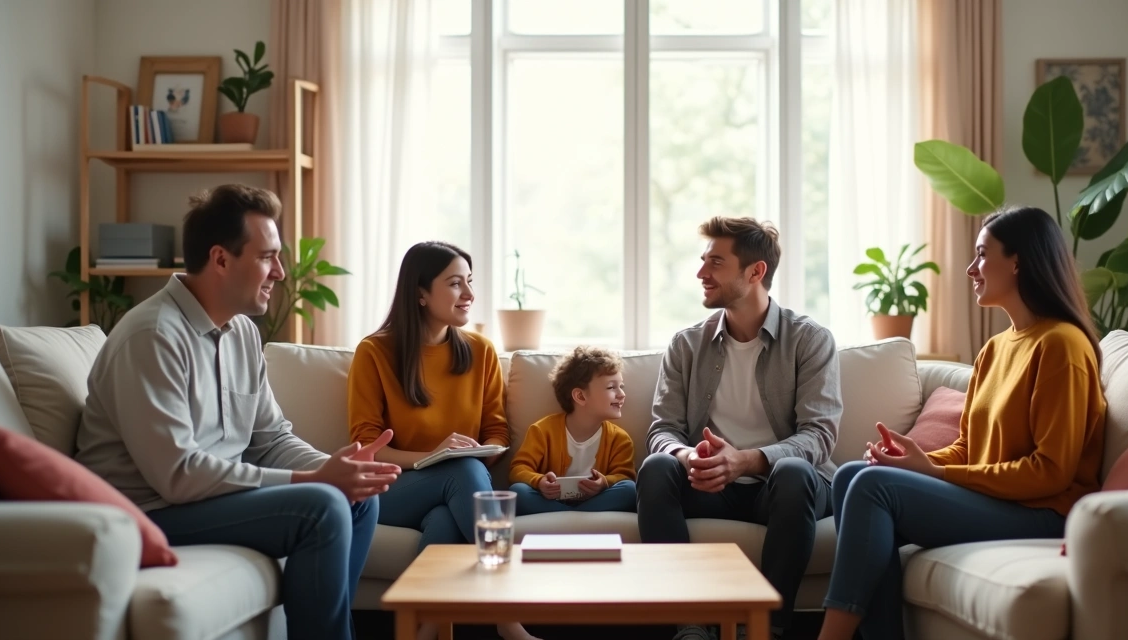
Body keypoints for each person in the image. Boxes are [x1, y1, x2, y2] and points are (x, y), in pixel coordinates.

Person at [75, 184, 400, 640]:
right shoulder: (152, 336)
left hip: (207, 498)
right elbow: (178, 474)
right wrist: (313, 482)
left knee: (358, 499)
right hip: (150, 510)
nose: (281, 273)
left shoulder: (243, 333)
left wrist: (332, 467)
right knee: (322, 506)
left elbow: (270, 438)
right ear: (221, 260)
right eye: (268, 257)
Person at [816, 206, 1107, 640]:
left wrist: (935, 472)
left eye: (982, 254)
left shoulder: (1062, 346)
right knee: (854, 475)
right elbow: (970, 448)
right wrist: (917, 460)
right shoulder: (994, 349)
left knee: (873, 487)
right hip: (1003, 502)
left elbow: (1052, 472)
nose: (971, 269)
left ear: (1018, 261)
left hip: (1044, 512)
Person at [638, 216, 843, 640]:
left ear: (755, 272)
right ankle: (689, 625)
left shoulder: (809, 340)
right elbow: (663, 430)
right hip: (710, 486)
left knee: (794, 473)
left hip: (780, 488)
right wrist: (688, 455)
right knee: (657, 468)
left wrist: (748, 460)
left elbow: (819, 435)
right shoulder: (686, 344)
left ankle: (768, 628)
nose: (701, 273)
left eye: (716, 262)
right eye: (703, 261)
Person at [346, 240, 538, 640]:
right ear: (419, 293)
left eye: (469, 282)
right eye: (455, 284)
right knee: (460, 471)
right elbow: (367, 447)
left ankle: (425, 632)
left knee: (444, 519)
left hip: (455, 490)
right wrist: (436, 457)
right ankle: (507, 615)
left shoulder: (480, 351)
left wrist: (477, 455)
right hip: (390, 490)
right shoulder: (375, 353)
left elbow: (497, 431)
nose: (469, 294)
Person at [509, 346, 637, 514]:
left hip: (598, 500)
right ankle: (574, 516)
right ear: (580, 396)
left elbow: (626, 476)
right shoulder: (542, 430)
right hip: (550, 500)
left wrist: (604, 483)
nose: (621, 394)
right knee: (518, 492)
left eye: (622, 386)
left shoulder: (619, 438)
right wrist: (539, 481)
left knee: (629, 490)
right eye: (611, 387)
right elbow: (518, 469)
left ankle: (564, 516)